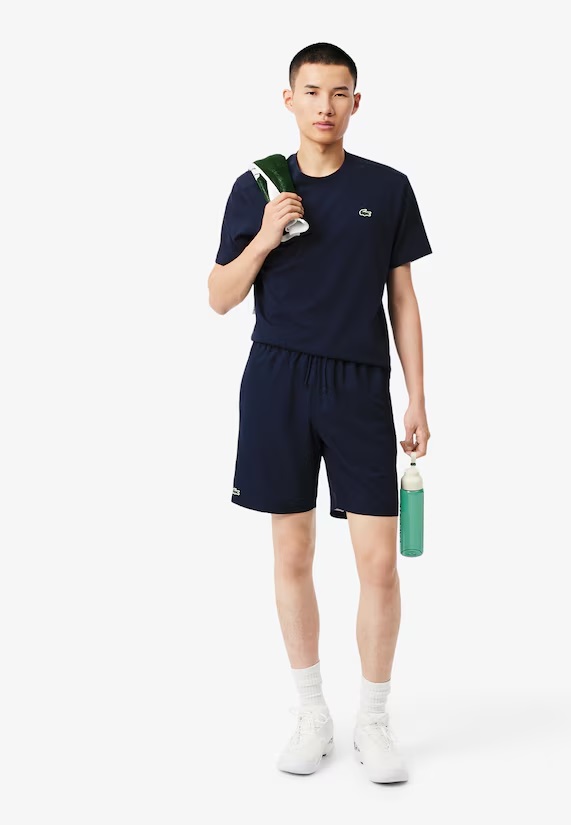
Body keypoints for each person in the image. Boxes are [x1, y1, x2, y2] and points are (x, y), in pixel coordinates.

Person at [207, 42, 432, 784]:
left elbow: (402, 299)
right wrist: (266, 235)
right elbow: (219, 296)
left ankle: (374, 719)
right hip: (277, 379)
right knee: (292, 552)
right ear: (289, 99)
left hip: (360, 386)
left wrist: (417, 395)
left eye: (339, 93)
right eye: (311, 92)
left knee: (380, 563)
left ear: (356, 103)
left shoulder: (388, 188)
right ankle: (311, 713)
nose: (325, 106)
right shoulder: (258, 185)